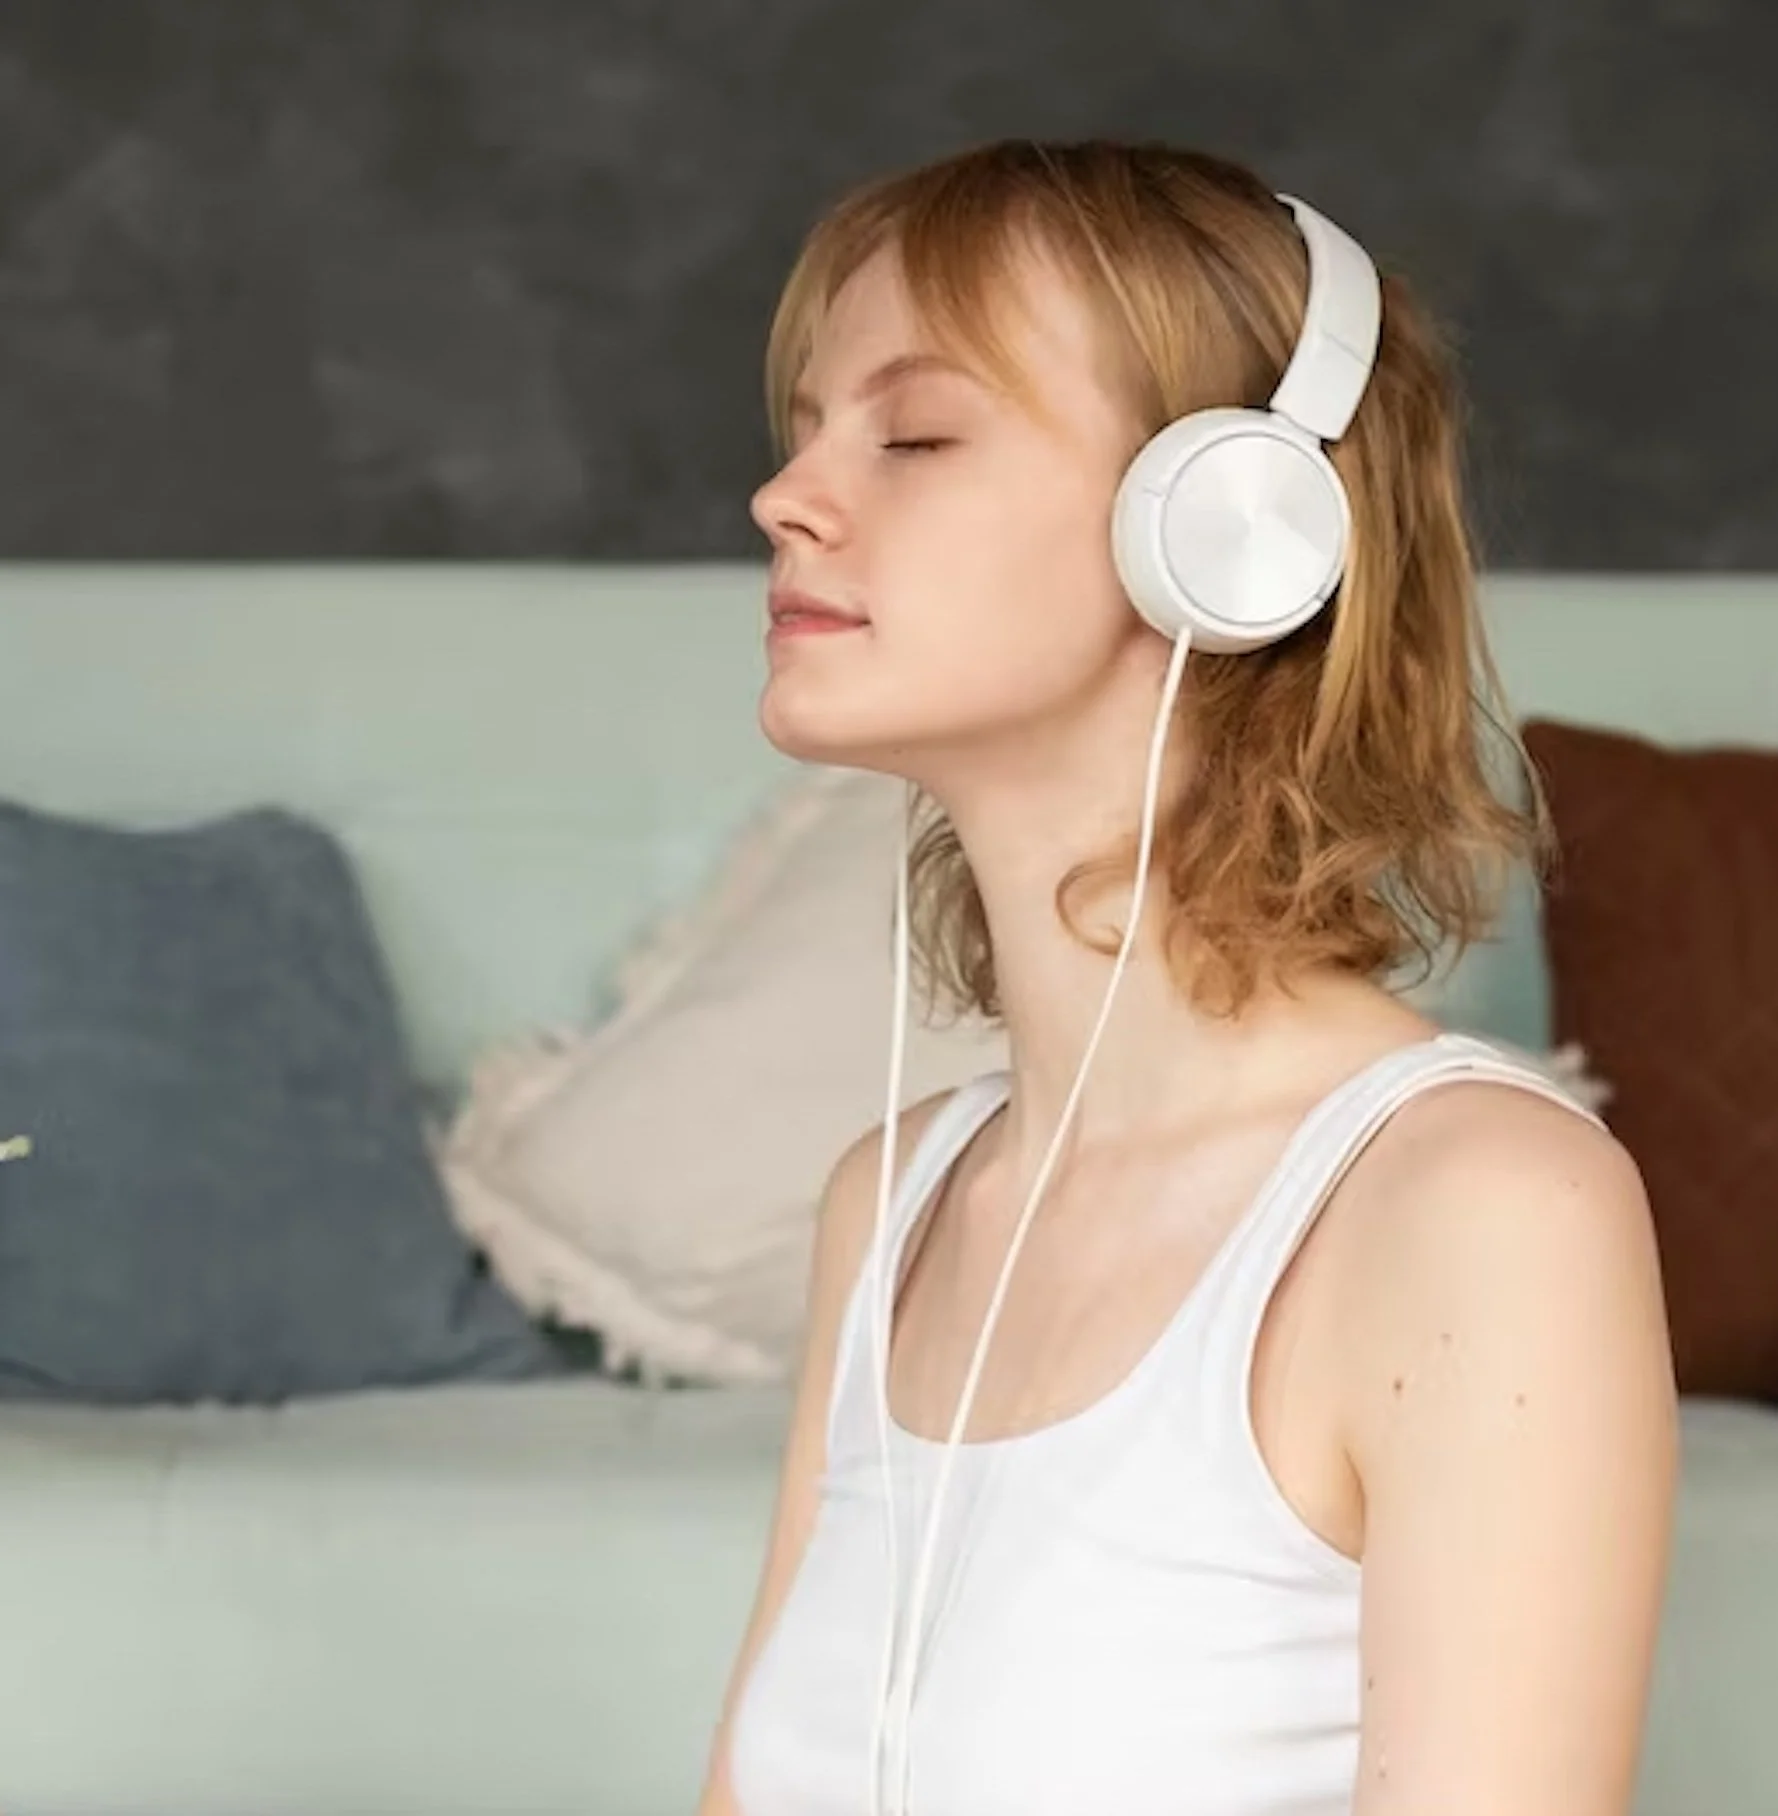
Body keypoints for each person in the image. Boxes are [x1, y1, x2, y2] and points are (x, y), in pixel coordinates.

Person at [695, 138, 1677, 1816]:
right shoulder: (900, 1199)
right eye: (803, 428)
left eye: (913, 433)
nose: (785, 497)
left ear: (1228, 526)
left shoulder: (1479, 1208)